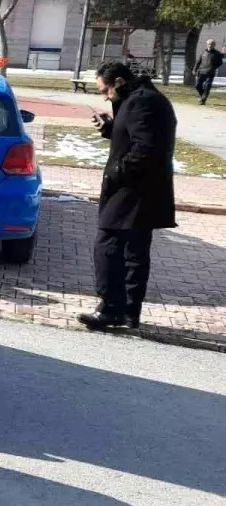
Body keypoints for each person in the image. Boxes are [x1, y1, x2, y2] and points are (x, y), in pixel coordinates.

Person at [79, 61, 177, 331]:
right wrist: (110, 129)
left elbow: (146, 148)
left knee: (108, 246)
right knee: (133, 251)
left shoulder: (141, 102)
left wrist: (118, 172)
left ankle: (111, 308)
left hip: (133, 190)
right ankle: (127, 313)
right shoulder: (140, 99)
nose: (105, 96)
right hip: (141, 190)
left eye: (106, 91)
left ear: (119, 82)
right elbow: (134, 135)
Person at [193, 38, 222, 105]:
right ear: (207, 44)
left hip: (210, 73)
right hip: (201, 72)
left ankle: (203, 100)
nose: (210, 45)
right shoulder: (203, 52)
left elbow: (220, 63)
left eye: (212, 44)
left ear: (214, 45)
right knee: (197, 85)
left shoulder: (217, 54)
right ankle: (202, 96)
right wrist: (194, 70)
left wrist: (214, 67)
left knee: (207, 86)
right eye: (209, 44)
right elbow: (198, 62)